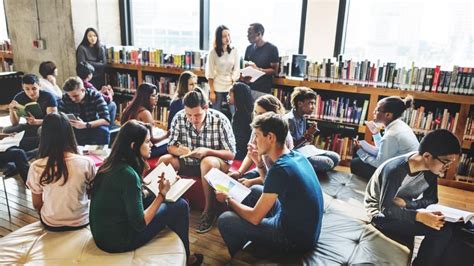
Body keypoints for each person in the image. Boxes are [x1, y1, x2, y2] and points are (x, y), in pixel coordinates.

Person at [89, 120, 203, 265]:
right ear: (133, 146)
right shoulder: (128, 174)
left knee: (165, 200)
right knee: (180, 205)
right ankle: (187, 259)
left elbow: (131, 195)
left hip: (102, 234)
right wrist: (161, 195)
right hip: (118, 241)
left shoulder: (110, 163)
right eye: (147, 142)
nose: (151, 145)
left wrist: (165, 187)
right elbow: (140, 223)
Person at [217, 113, 324, 257]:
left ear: (270, 138)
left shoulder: (280, 169)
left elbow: (255, 218)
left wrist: (228, 199)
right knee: (255, 190)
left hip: (294, 239)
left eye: (257, 135)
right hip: (306, 230)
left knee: (225, 219)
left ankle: (241, 257)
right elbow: (271, 186)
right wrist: (259, 163)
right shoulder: (295, 156)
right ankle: (251, 239)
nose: (254, 141)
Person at [364, 129, 462, 266]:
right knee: (442, 231)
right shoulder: (396, 170)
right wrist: (420, 216)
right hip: (379, 214)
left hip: (400, 209)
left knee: (459, 226)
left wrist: (408, 204)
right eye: (445, 162)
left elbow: (432, 199)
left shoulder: (431, 170)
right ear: (427, 156)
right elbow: (387, 209)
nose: (447, 167)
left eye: (450, 163)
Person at [158, 88, 236, 233]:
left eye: (197, 115)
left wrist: (207, 152)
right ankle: (163, 203)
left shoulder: (220, 120)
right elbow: (170, 146)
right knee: (165, 160)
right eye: (189, 115)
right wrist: (179, 150)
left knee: (206, 162)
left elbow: (231, 154)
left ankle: (209, 211)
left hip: (215, 163)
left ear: (206, 108)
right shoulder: (179, 117)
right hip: (188, 162)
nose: (193, 119)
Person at [26, 113, 96, 231]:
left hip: (51, 222)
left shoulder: (36, 166)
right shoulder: (87, 162)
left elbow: (37, 204)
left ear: (44, 136)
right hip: (81, 220)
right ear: (70, 134)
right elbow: (93, 193)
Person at [228, 94, 293, 187]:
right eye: (255, 113)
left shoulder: (281, 135)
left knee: (251, 188)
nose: (257, 117)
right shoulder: (258, 128)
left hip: (275, 175)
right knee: (237, 181)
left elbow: (276, 176)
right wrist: (239, 172)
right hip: (263, 169)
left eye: (261, 114)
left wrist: (252, 182)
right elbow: (250, 154)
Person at [351, 95, 419, 179]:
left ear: (388, 115)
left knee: (355, 163)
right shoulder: (399, 124)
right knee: (360, 155)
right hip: (405, 169)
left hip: (398, 176)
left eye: (377, 110)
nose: (374, 112)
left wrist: (360, 152)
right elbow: (384, 150)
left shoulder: (392, 134)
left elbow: (380, 164)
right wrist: (376, 134)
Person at [283, 87, 340, 171]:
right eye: (310, 103)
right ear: (299, 104)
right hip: (293, 155)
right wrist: (307, 136)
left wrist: (308, 137)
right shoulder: (289, 120)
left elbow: (302, 142)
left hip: (303, 151)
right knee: (328, 163)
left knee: (336, 157)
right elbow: (290, 148)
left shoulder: (303, 118)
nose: (313, 107)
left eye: (314, 103)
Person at [8, 73, 58, 151]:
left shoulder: (48, 97)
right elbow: (15, 123)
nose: (31, 92)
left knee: (41, 130)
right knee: (6, 131)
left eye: (34, 88)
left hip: (45, 125)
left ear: (39, 86)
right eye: (27, 89)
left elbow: (54, 120)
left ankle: (38, 148)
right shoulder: (19, 97)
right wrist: (11, 111)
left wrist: (37, 122)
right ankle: (29, 145)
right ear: (23, 88)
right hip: (29, 125)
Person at [59, 76, 110, 145]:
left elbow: (106, 120)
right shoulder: (65, 98)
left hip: (92, 126)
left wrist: (85, 125)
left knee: (103, 131)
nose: (72, 99)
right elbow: (60, 117)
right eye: (70, 96)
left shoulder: (95, 96)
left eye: (75, 96)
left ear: (83, 90)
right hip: (74, 129)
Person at [121, 83, 168, 157]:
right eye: (153, 96)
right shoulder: (145, 113)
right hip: (138, 151)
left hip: (126, 147)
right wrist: (167, 135)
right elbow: (152, 141)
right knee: (170, 145)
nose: (156, 98)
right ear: (145, 97)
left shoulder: (128, 108)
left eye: (156, 95)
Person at [205, 25, 240, 113]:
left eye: (228, 35)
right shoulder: (213, 53)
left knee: (234, 113)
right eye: (224, 36)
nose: (227, 38)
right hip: (217, 87)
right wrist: (212, 92)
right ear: (219, 38)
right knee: (216, 114)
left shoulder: (234, 51)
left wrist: (233, 89)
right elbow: (210, 73)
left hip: (230, 86)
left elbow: (236, 70)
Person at [243, 23, 279, 100]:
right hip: (248, 89)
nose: (247, 36)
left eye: (250, 33)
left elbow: (274, 71)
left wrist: (258, 70)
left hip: (263, 90)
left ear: (259, 34)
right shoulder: (248, 48)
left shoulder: (272, 49)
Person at [76, 61, 117, 129]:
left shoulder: (77, 83)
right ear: (89, 75)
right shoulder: (88, 85)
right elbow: (107, 100)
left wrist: (100, 92)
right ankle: (110, 127)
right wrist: (110, 94)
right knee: (112, 105)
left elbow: (91, 95)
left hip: (82, 112)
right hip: (92, 112)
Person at [227, 82, 253, 160]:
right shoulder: (249, 111)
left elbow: (239, 140)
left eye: (230, 95)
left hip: (241, 153)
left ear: (238, 96)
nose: (227, 97)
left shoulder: (240, 115)